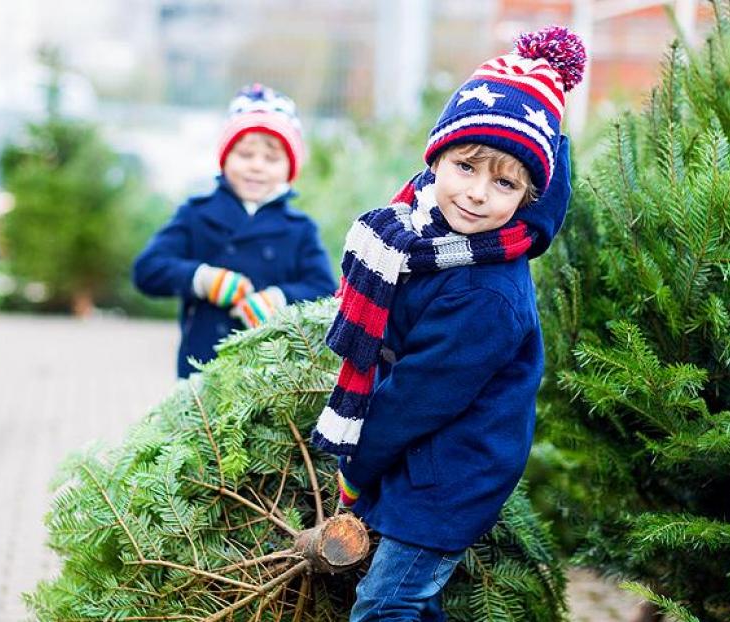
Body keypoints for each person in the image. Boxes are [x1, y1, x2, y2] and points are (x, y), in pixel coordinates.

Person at [311, 27, 586, 621]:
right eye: (466, 166)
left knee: (387, 603)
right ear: (435, 156)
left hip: (452, 475)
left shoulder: (486, 294)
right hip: (425, 453)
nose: (478, 194)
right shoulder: (417, 232)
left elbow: (416, 396)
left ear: (528, 197)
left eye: (506, 182)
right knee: (411, 602)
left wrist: (355, 472)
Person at [133, 84, 338, 378]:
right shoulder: (197, 214)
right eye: (245, 154)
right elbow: (148, 270)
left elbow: (324, 290)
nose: (256, 166)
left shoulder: (300, 229)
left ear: (289, 168)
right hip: (202, 370)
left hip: (273, 378)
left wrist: (278, 299)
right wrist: (203, 279)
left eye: (271, 159)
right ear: (225, 158)